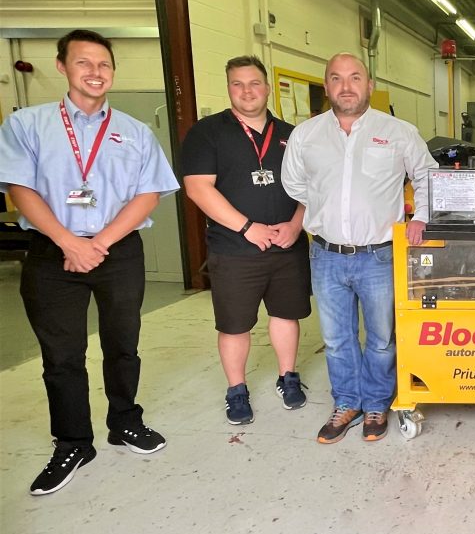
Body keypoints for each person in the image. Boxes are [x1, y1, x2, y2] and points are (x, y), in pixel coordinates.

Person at [0, 29, 179, 496]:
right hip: (50, 252)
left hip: (117, 251)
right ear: (62, 66)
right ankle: (73, 442)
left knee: (124, 343)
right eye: (84, 63)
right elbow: (20, 190)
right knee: (62, 356)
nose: (95, 73)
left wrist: (98, 242)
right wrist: (68, 242)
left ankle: (125, 421)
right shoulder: (27, 125)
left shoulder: (135, 132)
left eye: (103, 65)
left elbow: (148, 193)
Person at [282, 53, 436, 443]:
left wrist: (420, 216)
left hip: (379, 255)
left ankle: (376, 404)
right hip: (325, 254)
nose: (346, 86)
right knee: (336, 338)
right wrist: (324, 207)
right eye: (336, 78)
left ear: (369, 85)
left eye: (355, 78)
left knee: (381, 337)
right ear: (327, 85)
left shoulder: (399, 131)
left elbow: (427, 176)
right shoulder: (307, 135)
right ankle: (347, 402)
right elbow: (295, 184)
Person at [181, 55, 311, 425]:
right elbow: (198, 188)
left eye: (254, 83)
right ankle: (236, 390)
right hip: (235, 249)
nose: (247, 91)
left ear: (267, 87)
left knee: (286, 315)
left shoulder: (291, 135)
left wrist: (296, 224)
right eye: (237, 84)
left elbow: (309, 188)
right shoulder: (206, 132)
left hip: (286, 245)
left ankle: (289, 377)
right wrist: (247, 227)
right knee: (235, 324)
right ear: (228, 89)